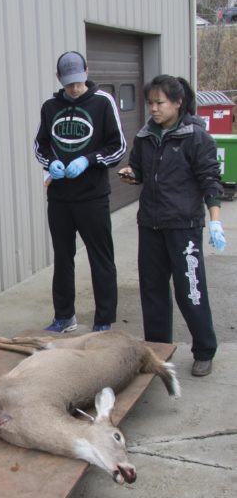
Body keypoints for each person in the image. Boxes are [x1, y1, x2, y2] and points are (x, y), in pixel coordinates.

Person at [118, 75, 225, 377]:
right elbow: (140, 169)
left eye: (160, 103)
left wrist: (215, 222)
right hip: (150, 224)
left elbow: (210, 180)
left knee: (190, 291)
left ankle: (204, 349)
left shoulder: (195, 137)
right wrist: (131, 172)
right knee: (152, 290)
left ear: (178, 103)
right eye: (150, 103)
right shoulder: (144, 136)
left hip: (184, 227)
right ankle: (157, 351)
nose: (153, 109)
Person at [34, 50, 127, 333]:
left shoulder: (102, 102)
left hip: (93, 197)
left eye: (78, 81)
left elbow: (118, 146)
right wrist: (52, 163)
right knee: (63, 257)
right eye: (68, 83)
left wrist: (89, 159)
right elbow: (40, 145)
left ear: (86, 71)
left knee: (101, 258)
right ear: (59, 78)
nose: (74, 88)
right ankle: (64, 316)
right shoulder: (50, 106)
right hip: (60, 198)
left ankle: (103, 320)